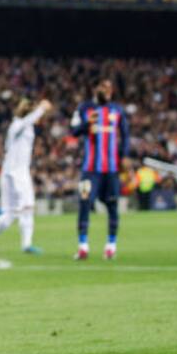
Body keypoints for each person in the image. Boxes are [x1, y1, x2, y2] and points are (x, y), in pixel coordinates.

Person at [70, 78, 129, 260]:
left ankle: (111, 246)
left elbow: (126, 135)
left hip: (111, 170)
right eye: (103, 87)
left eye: (110, 87)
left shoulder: (117, 110)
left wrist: (124, 156)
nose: (107, 90)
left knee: (112, 205)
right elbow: (73, 131)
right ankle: (83, 247)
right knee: (84, 203)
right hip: (90, 169)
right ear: (95, 89)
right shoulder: (83, 108)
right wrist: (88, 125)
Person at [0, 98, 51, 255]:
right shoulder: (18, 125)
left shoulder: (23, 126)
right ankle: (27, 244)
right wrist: (41, 108)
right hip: (17, 173)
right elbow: (27, 121)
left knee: (11, 211)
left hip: (9, 172)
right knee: (26, 207)